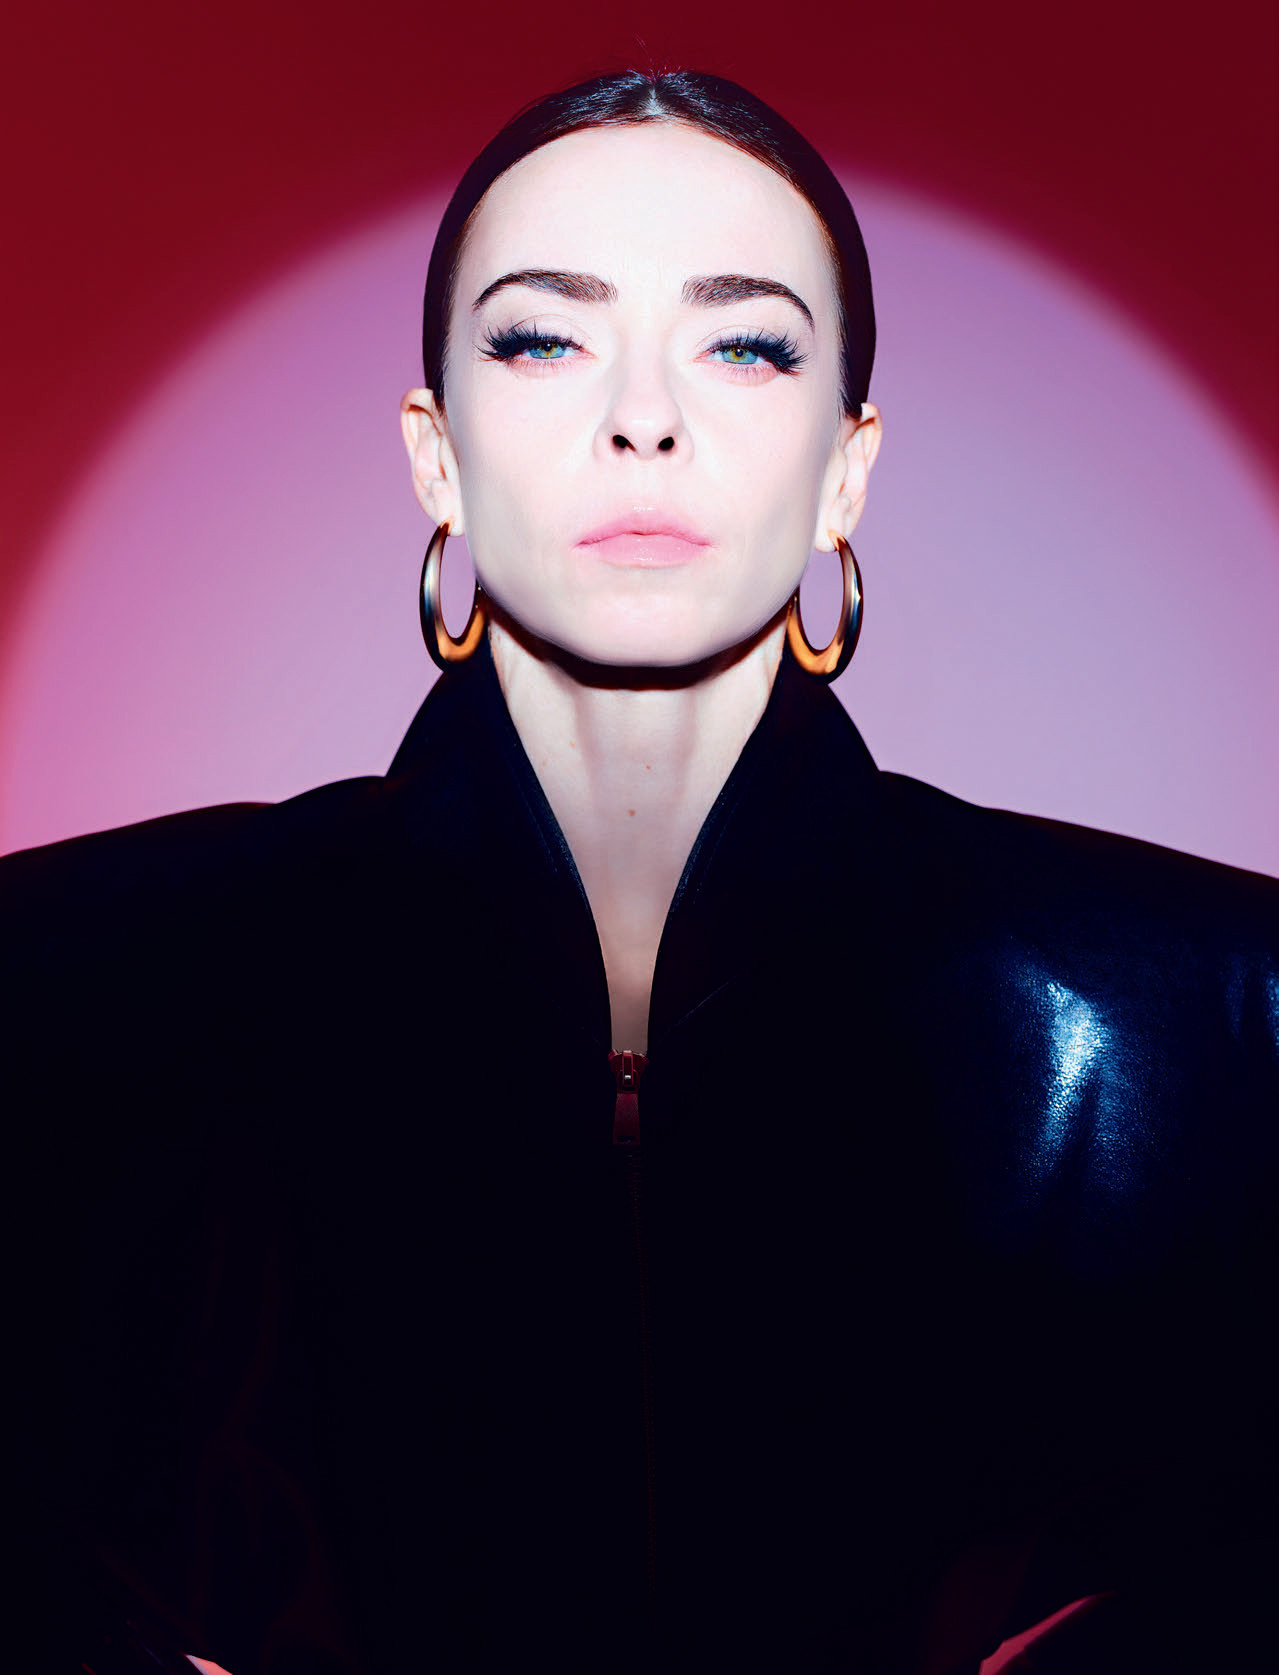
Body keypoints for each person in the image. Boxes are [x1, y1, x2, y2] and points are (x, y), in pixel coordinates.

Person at [3, 67, 1276, 1675]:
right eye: (545, 338)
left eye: (746, 345)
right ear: (435, 457)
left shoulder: (1209, 1031)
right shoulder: (72, 994)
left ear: (848, 471)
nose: (644, 416)